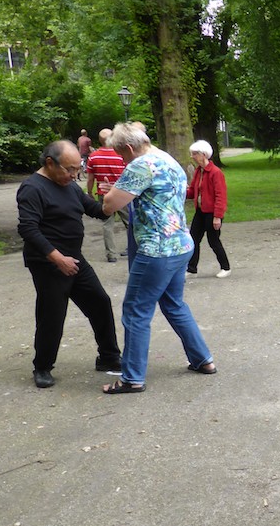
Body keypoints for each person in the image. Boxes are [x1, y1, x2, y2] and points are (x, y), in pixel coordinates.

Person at [100, 123, 216, 394]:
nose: (122, 159)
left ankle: (132, 378)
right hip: (180, 245)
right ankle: (203, 360)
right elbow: (155, 195)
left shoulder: (140, 165)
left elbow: (109, 206)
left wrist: (111, 192)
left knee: (135, 312)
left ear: (128, 147)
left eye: (121, 154)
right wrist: (120, 188)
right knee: (174, 305)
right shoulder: (166, 158)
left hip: (156, 251)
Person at [16, 140, 122, 388]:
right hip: (48, 263)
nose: (74, 175)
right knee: (52, 315)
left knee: (99, 302)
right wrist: (56, 258)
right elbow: (28, 229)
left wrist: (111, 197)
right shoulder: (32, 188)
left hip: (74, 258)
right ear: (50, 163)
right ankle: (42, 367)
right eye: (69, 169)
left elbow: (97, 210)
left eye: (77, 169)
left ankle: (108, 357)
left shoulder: (70, 187)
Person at [187, 140, 231, 278]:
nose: (192, 156)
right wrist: (180, 191)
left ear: (203, 155)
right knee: (193, 239)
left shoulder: (215, 173)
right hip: (200, 211)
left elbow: (221, 195)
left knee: (213, 241)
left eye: (195, 154)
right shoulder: (199, 171)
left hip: (212, 213)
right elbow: (193, 191)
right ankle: (191, 268)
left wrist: (217, 216)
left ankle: (225, 267)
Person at [86, 128, 128, 262]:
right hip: (121, 193)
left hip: (104, 194)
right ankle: (133, 248)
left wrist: (89, 192)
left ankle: (111, 254)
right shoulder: (121, 155)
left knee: (107, 224)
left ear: (99, 140)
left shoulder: (94, 156)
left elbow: (90, 178)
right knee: (129, 222)